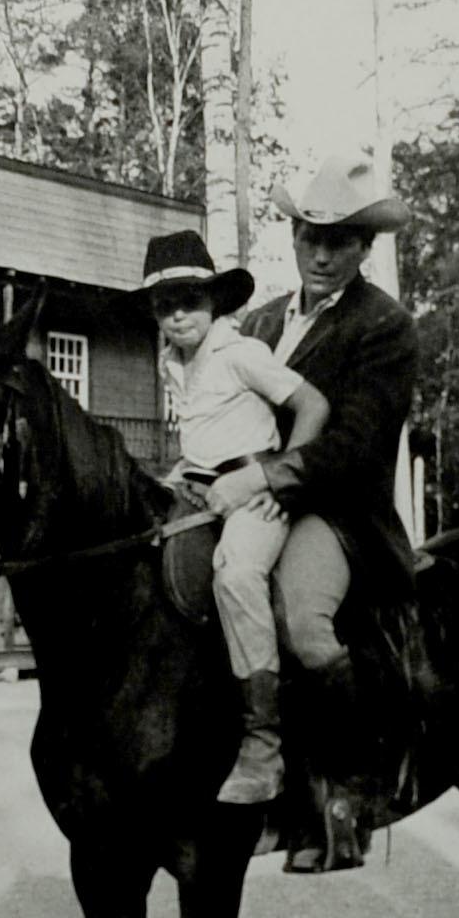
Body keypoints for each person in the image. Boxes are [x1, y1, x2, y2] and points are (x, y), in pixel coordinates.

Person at [202, 154, 420, 868]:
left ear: (365, 247)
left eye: (341, 241)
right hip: (250, 493)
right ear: (293, 238)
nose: (322, 254)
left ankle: (347, 795)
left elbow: (357, 448)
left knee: (299, 615)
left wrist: (264, 476)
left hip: (338, 512)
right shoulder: (257, 321)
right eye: (309, 238)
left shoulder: (384, 327)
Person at [133, 229, 330, 805]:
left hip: (253, 487)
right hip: (196, 485)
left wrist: (285, 477)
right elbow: (201, 438)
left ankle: (263, 741)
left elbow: (312, 405)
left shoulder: (241, 352)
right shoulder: (173, 362)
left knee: (237, 575)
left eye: (189, 300)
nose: (177, 317)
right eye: (164, 306)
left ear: (214, 301)